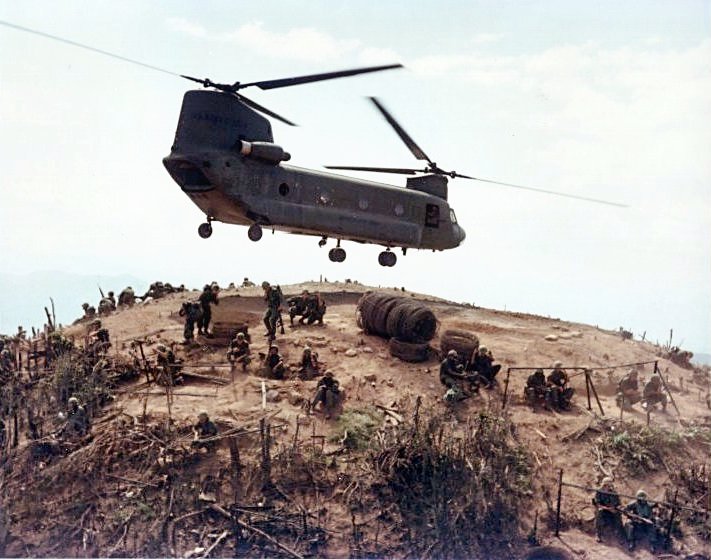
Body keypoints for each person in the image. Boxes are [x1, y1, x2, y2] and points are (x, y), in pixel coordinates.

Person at [592, 478, 622, 542]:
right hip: (603, 509)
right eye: (607, 485)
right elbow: (597, 504)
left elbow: (618, 503)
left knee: (618, 513)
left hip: (611, 510)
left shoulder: (613, 493)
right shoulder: (599, 492)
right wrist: (607, 508)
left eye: (610, 485)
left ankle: (619, 534)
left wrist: (617, 508)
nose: (609, 487)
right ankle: (598, 534)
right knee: (599, 511)